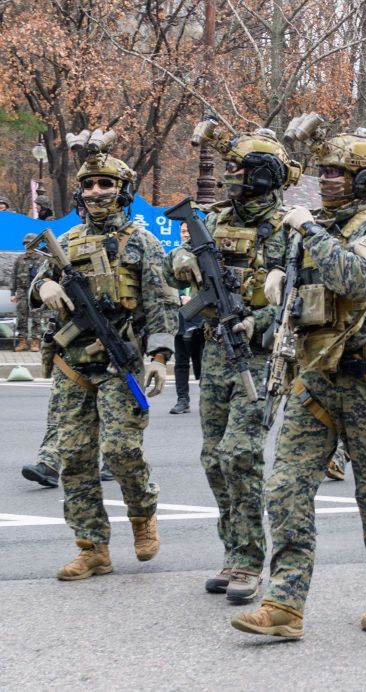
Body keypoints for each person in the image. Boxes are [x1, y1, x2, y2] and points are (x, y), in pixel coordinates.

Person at [231, 128, 366, 638]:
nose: (325, 180)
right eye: (323, 171)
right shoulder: (312, 231)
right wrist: (266, 301)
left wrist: (309, 230)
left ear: (364, 178)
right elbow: (299, 307)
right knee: (285, 488)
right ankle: (284, 604)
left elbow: (357, 278)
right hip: (313, 381)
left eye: (336, 172)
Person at [31, 129, 176, 581]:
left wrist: (159, 356)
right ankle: (92, 546)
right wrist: (46, 285)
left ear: (122, 190)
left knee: (120, 451)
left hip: (120, 363)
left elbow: (162, 302)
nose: (96, 192)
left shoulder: (142, 243)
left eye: (105, 184)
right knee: (73, 458)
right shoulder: (66, 241)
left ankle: (142, 513)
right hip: (72, 364)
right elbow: (34, 284)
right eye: (89, 185)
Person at [166, 124, 299, 602]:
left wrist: (259, 318)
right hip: (216, 351)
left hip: (263, 357)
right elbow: (174, 266)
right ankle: (233, 551)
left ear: (265, 174)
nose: (232, 175)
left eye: (240, 168)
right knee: (213, 458)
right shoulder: (212, 218)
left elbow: (302, 298)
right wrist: (182, 259)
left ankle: (249, 562)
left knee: (239, 453)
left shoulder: (290, 227)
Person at [169, 289, 205, 414]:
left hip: (201, 323)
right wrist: (179, 298)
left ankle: (207, 399)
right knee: (180, 362)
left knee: (203, 363)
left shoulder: (201, 271)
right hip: (179, 323)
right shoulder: (173, 274)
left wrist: (194, 300)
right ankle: (183, 399)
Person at [12, 233, 45, 352]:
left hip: (36, 293)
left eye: (30, 243)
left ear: (36, 244)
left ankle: (35, 341)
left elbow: (46, 276)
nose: (28, 246)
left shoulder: (42, 259)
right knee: (22, 317)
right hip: (22, 292)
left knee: (36, 317)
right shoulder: (20, 260)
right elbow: (14, 277)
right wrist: (12, 293)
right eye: (26, 244)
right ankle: (22, 341)